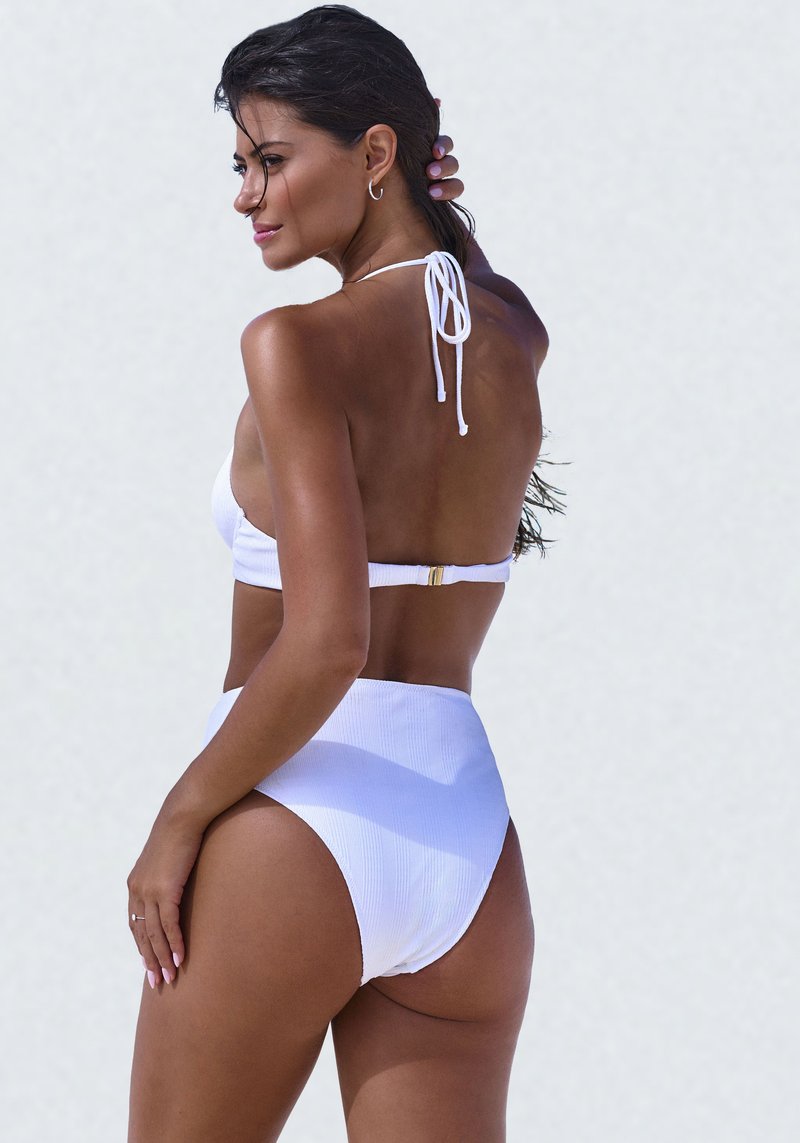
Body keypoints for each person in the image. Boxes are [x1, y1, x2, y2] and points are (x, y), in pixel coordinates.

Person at [126, 6, 562, 1140]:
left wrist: (179, 819)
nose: (247, 196)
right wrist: (432, 208)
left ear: (373, 151)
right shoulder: (513, 332)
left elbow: (327, 642)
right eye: (239, 165)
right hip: (464, 843)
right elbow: (450, 292)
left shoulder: (294, 345)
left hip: (293, 818)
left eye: (272, 160)